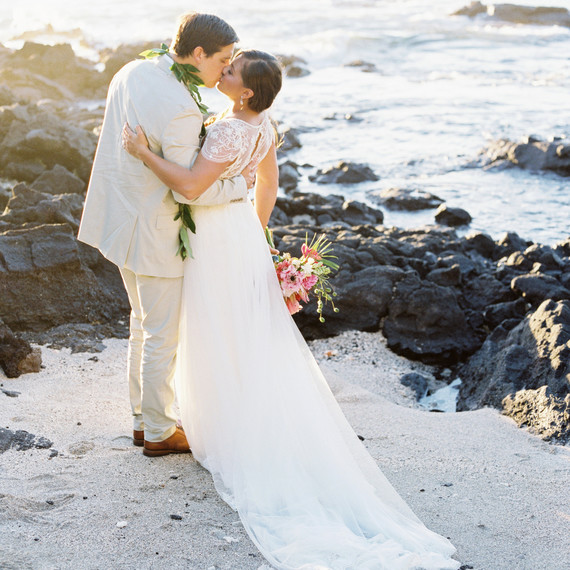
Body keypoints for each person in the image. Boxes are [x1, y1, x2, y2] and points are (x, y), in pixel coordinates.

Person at [123, 49, 460, 569]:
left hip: (216, 237)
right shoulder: (264, 124)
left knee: (214, 328)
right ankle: (224, 416)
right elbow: (269, 186)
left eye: (230, 72)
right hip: (241, 235)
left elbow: (191, 186)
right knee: (243, 331)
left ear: (246, 92)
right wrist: (253, 238)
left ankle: (214, 422)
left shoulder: (233, 128)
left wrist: (143, 152)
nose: (223, 73)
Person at [77, 13, 257, 457]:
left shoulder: (134, 69)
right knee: (162, 335)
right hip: (156, 231)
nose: (225, 68)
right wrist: (239, 186)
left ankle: (143, 420)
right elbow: (189, 186)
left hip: (119, 219)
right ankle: (158, 431)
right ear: (198, 53)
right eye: (222, 59)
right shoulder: (181, 107)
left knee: (142, 324)